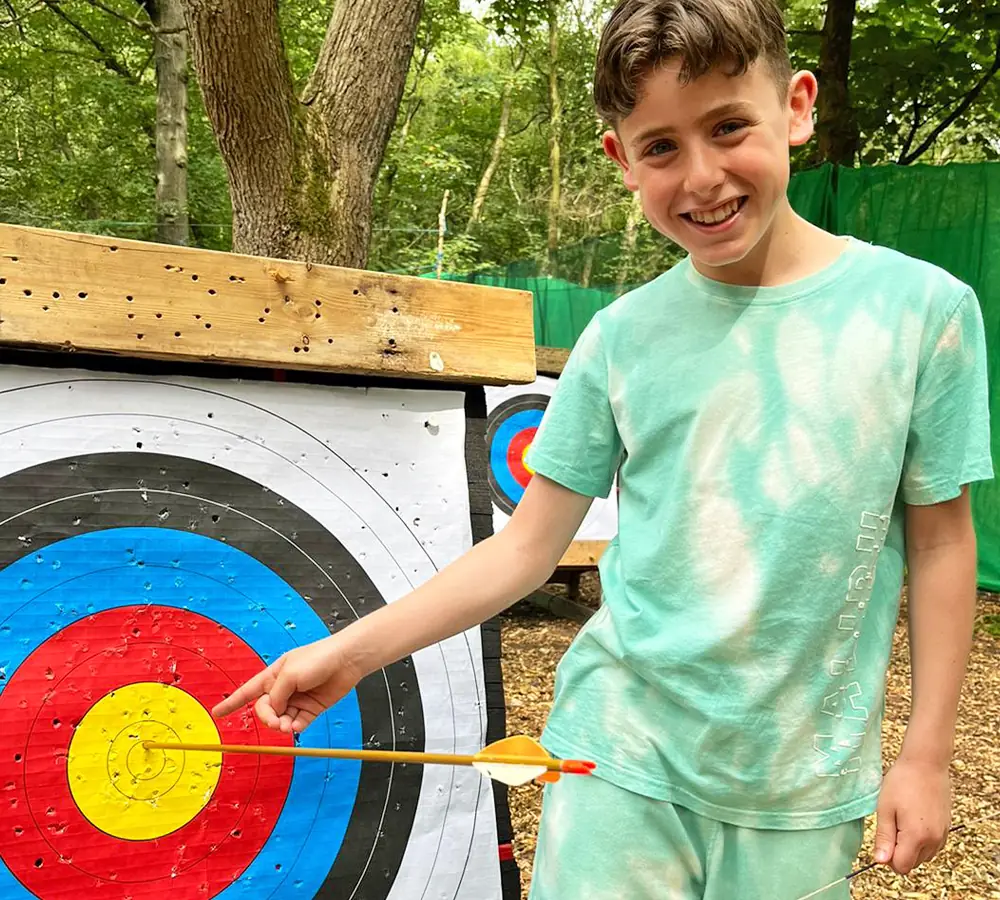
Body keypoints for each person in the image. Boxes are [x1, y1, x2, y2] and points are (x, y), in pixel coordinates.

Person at [212, 1, 994, 896]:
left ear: (798, 107)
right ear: (623, 160)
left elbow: (940, 541)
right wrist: (348, 654)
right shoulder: (620, 339)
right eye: (660, 147)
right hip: (618, 753)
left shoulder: (924, 313)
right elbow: (523, 549)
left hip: (801, 788)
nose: (702, 176)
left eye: (729, 126)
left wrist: (925, 757)